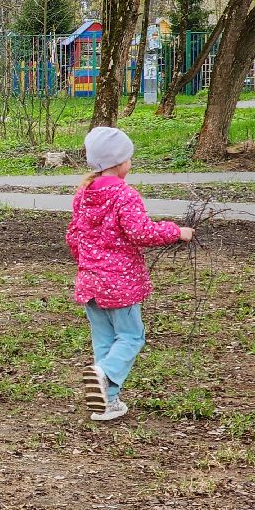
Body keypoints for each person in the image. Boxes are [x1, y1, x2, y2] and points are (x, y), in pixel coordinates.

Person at [66, 127, 191, 422]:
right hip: (119, 283)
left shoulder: (84, 195)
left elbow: (73, 236)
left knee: (104, 340)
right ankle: (106, 375)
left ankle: (106, 403)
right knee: (132, 337)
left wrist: (88, 264)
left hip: (90, 281)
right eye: (129, 158)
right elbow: (140, 232)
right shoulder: (125, 195)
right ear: (120, 162)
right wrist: (177, 232)